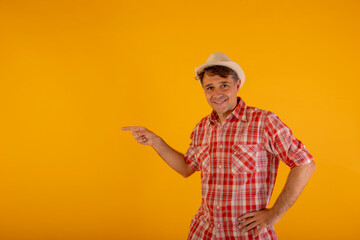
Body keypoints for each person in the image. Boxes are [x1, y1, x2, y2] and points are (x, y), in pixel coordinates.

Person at [122, 52, 316, 240]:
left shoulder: (264, 122)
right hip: (203, 232)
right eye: (210, 87)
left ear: (237, 84)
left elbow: (305, 163)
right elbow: (186, 168)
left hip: (245, 235)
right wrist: (156, 141)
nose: (217, 94)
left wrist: (274, 214)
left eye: (224, 85)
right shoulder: (202, 128)